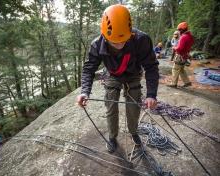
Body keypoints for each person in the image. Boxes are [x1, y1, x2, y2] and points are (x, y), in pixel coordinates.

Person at [76, 4, 159, 153]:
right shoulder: (97, 44)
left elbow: (151, 67)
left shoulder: (141, 40)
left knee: (133, 106)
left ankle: (133, 132)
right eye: (114, 42)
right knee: (111, 105)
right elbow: (89, 69)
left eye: (123, 40)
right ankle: (112, 136)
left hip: (133, 74)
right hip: (113, 74)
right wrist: (85, 91)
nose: (120, 44)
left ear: (129, 32)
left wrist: (151, 94)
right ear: (105, 35)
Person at [168, 22, 194, 88]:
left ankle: (173, 83)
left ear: (182, 30)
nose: (179, 31)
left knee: (175, 69)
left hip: (180, 55)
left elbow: (179, 48)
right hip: (186, 55)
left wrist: (174, 47)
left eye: (179, 30)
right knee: (181, 69)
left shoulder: (183, 37)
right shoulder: (190, 36)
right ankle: (187, 82)